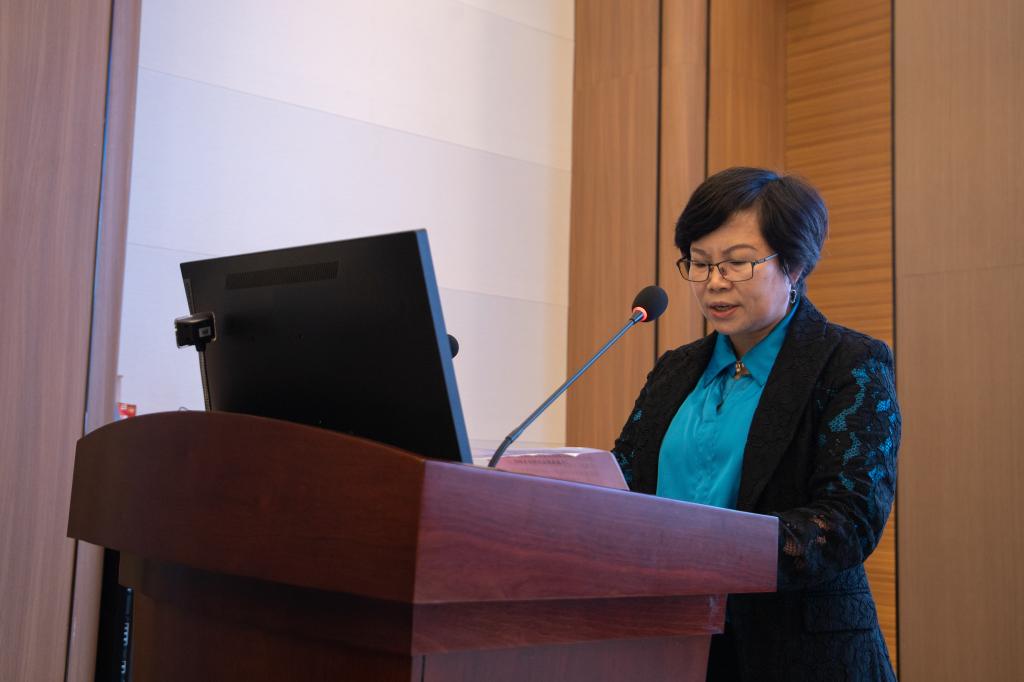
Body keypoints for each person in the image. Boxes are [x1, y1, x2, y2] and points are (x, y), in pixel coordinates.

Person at [613, 167, 899, 682]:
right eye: (700, 263)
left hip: (797, 653)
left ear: (793, 264)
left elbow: (850, 518)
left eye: (737, 263)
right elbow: (624, 481)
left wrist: (712, 549)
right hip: (667, 640)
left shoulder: (848, 363)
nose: (714, 282)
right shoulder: (676, 369)